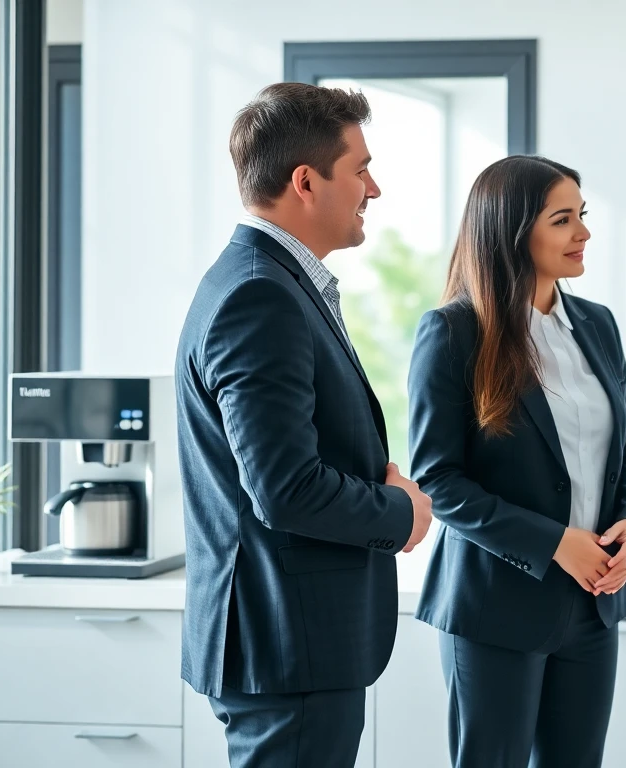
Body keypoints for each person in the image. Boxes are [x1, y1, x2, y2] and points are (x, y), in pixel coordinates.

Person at [174, 82, 433, 768]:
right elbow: (285, 488)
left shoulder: (263, 283)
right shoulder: (261, 295)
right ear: (305, 181)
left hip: (287, 646)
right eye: (360, 169)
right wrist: (400, 513)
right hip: (288, 647)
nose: (373, 189)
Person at [407, 155, 626, 768]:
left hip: (594, 605)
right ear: (514, 231)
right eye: (563, 220)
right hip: (495, 606)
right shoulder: (452, 332)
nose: (584, 234)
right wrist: (553, 543)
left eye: (582, 216)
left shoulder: (598, 326)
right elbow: (439, 480)